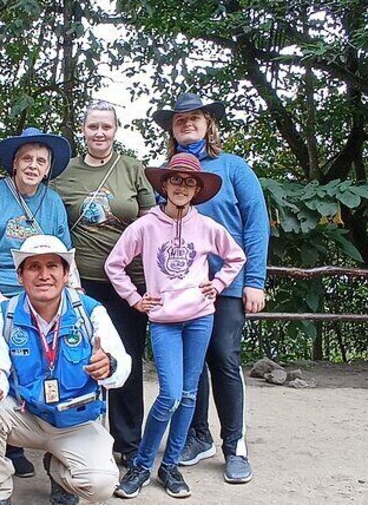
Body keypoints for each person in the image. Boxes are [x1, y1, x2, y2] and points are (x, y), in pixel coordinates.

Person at [105, 152, 245, 499]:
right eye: (175, 180)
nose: (181, 187)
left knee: (187, 394)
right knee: (168, 394)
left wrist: (218, 285)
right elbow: (115, 265)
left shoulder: (208, 226)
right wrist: (136, 299)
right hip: (165, 321)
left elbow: (235, 257)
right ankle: (140, 465)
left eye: (189, 182)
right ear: (164, 185)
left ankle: (170, 468)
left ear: (197, 189)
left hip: (199, 317)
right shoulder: (145, 225)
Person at [155, 93, 269, 484]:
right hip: (183, 288)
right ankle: (196, 435)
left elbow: (256, 225)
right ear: (172, 129)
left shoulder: (234, 168)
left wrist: (254, 280)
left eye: (194, 118)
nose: (186, 123)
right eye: (179, 119)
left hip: (229, 285)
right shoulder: (169, 175)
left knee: (222, 357)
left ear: (208, 124)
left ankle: (234, 444)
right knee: (191, 363)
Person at [0, 235, 132, 505]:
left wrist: (109, 366)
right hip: (27, 415)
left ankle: (59, 472)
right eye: (34, 267)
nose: (44, 275)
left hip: (76, 422)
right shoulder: (3, 315)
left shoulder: (90, 313)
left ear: (66, 274)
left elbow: (121, 364)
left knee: (101, 485)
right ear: (20, 276)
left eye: (52, 267)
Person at [0, 126, 73, 486]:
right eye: (26, 158)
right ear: (14, 162)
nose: (33, 165)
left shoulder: (52, 202)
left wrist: (75, 300)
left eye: (41, 160)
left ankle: (14, 446)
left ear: (48, 166)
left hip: (39, 297)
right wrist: (2, 304)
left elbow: (64, 258)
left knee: (33, 371)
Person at [49, 100, 155, 465]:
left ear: (115, 130)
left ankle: (128, 444)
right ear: (83, 129)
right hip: (81, 282)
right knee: (80, 359)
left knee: (126, 359)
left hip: (127, 282)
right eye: (92, 126)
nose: (99, 133)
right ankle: (81, 438)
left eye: (106, 127)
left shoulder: (132, 168)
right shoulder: (64, 171)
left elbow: (149, 223)